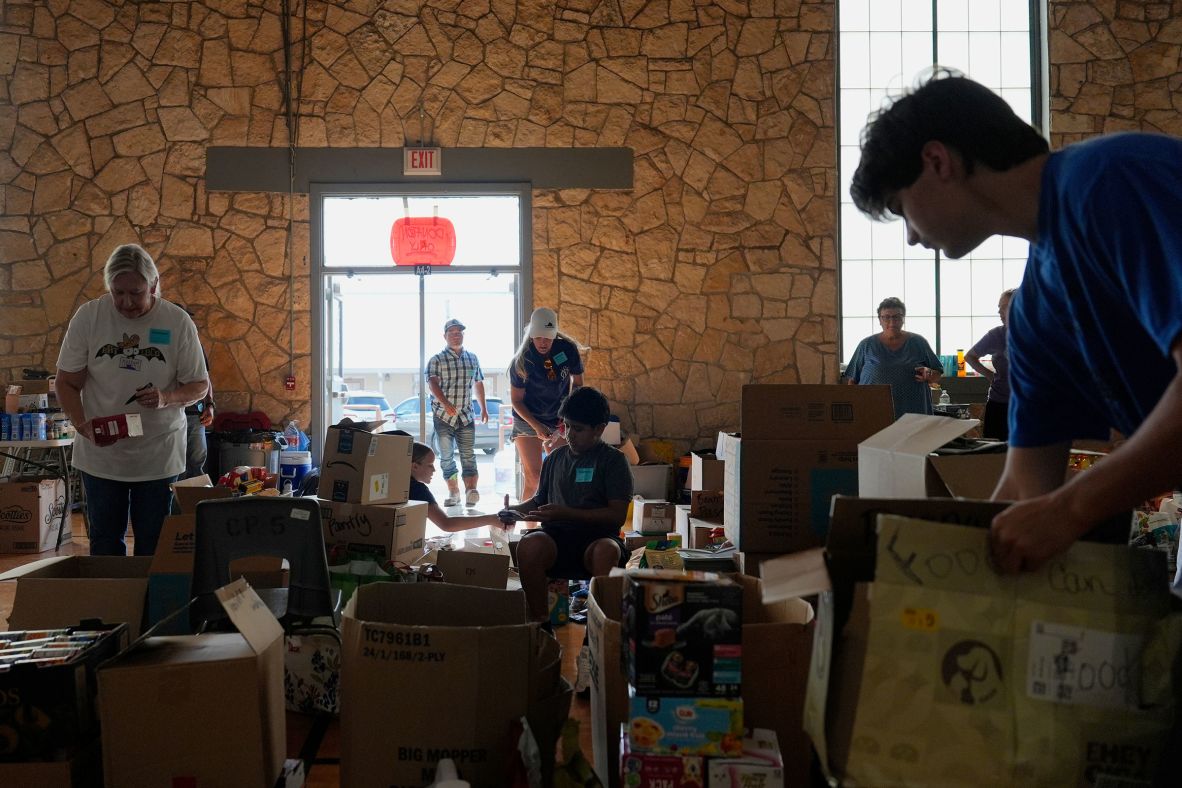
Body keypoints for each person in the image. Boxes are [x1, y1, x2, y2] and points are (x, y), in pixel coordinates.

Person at [850, 71, 1182, 574]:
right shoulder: (1033, 316)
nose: (913, 238)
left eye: (902, 210)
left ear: (938, 161)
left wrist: (1069, 510)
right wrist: (926, 571)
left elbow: (1051, 509)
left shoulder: (1110, 182)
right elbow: (1025, 490)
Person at [56, 243, 208, 556]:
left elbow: (199, 385)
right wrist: (82, 425)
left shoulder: (177, 322)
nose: (126, 303)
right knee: (104, 544)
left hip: (158, 454)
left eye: (136, 293)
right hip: (101, 456)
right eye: (118, 293)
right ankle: (112, 604)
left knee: (153, 546)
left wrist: (167, 397)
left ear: (153, 286)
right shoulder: (89, 317)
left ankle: (147, 605)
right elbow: (66, 383)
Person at [503, 386, 631, 621]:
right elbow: (540, 500)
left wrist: (567, 513)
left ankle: (598, 629)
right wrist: (514, 511)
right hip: (556, 539)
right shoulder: (555, 458)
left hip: (597, 539)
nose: (570, 434)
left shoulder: (614, 462)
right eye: (567, 426)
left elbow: (617, 516)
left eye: (578, 429)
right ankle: (541, 625)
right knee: (529, 545)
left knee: (607, 551)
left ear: (599, 429)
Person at [509, 307, 584, 500]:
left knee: (563, 474)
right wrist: (537, 426)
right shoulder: (522, 361)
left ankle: (558, 523)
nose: (543, 343)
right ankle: (528, 528)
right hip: (527, 420)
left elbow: (578, 383)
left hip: (557, 416)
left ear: (555, 336)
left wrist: (568, 414)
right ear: (532, 335)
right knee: (534, 477)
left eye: (548, 338)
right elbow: (516, 401)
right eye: (539, 338)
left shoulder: (567, 350)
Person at [843, 297, 943, 418]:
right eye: (886, 317)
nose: (892, 321)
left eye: (897, 316)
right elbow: (853, 381)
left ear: (903, 319)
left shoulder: (918, 342)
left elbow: (937, 374)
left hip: (913, 411)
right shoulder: (866, 345)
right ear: (880, 320)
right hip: (873, 411)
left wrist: (930, 373)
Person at [426, 317, 487, 508]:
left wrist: (483, 407)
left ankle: (471, 491)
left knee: (468, 454)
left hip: (466, 415)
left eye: (459, 332)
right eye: (452, 333)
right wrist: (445, 403)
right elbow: (432, 383)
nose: (456, 335)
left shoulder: (472, 358)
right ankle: (453, 492)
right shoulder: (437, 359)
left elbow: (478, 383)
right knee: (446, 455)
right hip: (443, 416)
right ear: (445, 336)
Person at [409, 441, 505, 534]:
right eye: (430, 465)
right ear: (415, 466)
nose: (434, 470)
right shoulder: (417, 489)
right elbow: (446, 524)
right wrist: (491, 519)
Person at [965, 289, 1015, 441]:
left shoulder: (1037, 333)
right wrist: (989, 374)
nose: (1000, 312)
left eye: (1004, 307)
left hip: (1030, 404)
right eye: (999, 308)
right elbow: (970, 356)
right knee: (995, 451)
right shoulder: (996, 335)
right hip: (999, 403)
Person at [179, 307, 215, 481]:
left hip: (196, 415)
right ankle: (176, 507)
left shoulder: (196, 345)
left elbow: (205, 378)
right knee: (178, 467)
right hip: (173, 415)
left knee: (197, 464)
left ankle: (195, 505)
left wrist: (210, 406)